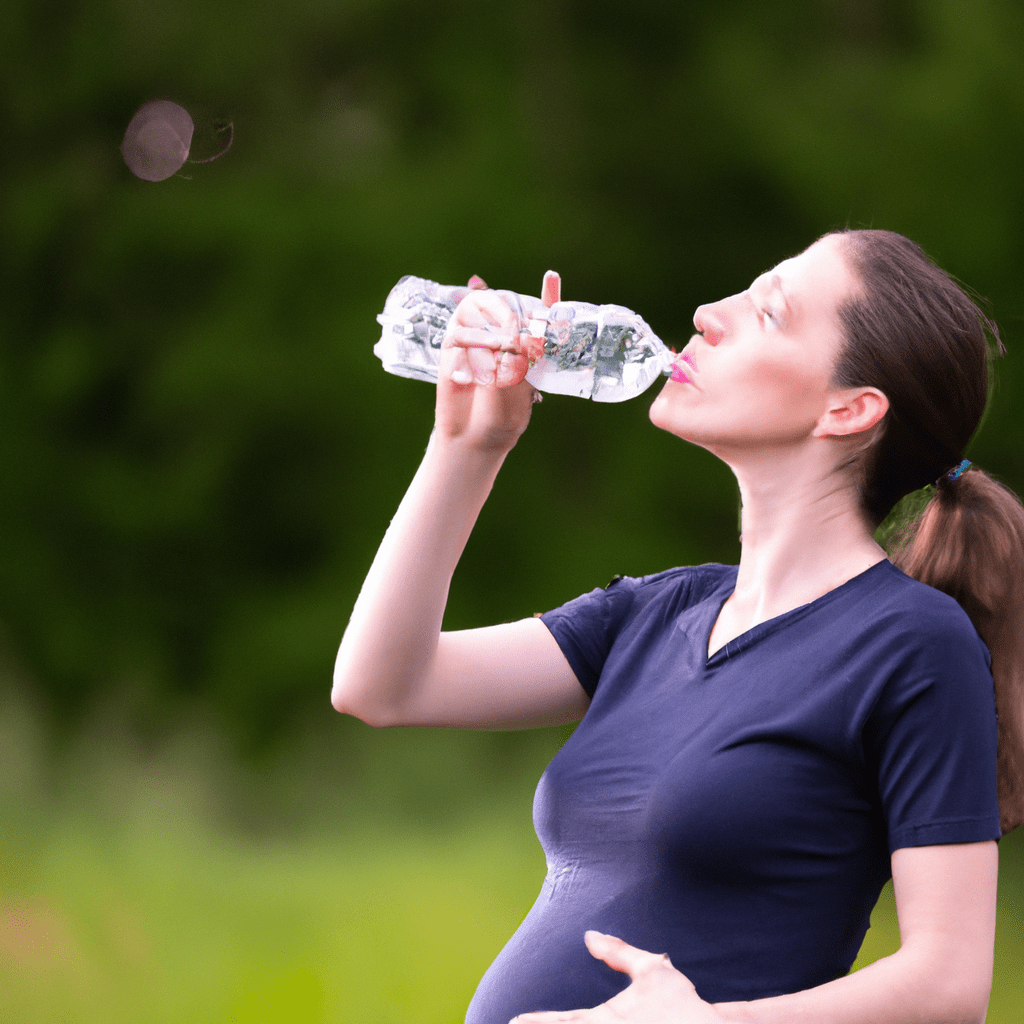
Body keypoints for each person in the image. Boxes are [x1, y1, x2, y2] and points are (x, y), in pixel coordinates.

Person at [332, 229, 1024, 1024]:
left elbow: (951, 984)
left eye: (768, 312)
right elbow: (382, 685)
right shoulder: (661, 610)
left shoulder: (913, 644)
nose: (706, 315)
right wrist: (467, 444)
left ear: (849, 408)